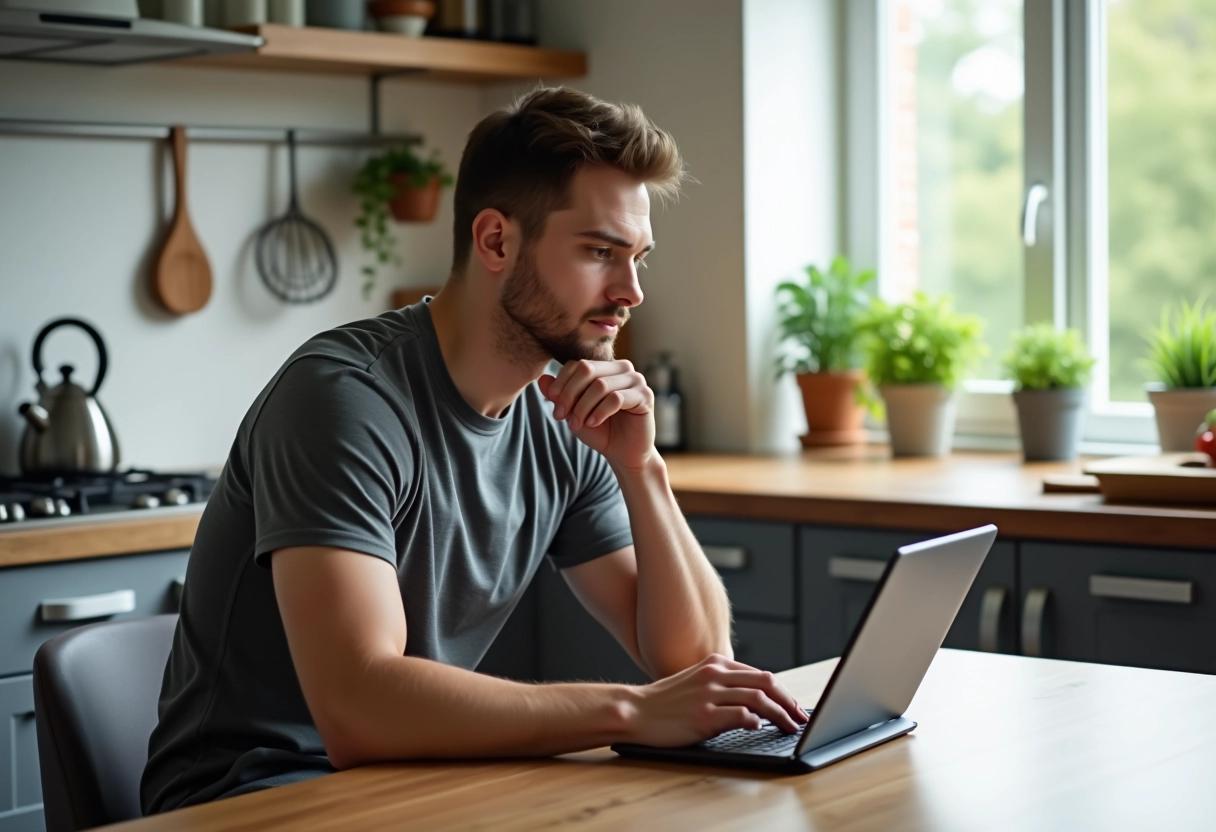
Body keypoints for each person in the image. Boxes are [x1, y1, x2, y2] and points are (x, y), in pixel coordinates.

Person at [140, 86, 807, 815]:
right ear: (495, 241)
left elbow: (693, 666)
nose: (632, 290)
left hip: (417, 786)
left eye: (638, 257)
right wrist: (629, 711)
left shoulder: (564, 417)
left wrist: (640, 469)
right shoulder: (343, 401)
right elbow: (357, 706)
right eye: (598, 252)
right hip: (251, 800)